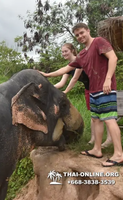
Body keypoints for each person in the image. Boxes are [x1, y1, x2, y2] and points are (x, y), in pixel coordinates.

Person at [40, 22, 123, 167]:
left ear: (88, 31)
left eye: (82, 33)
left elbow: (113, 58)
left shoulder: (99, 42)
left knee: (109, 119)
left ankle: (119, 154)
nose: (80, 36)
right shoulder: (83, 54)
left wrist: (108, 79)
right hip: (93, 90)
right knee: (96, 119)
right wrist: (46, 74)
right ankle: (97, 149)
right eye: (77, 35)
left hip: (105, 88)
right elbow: (65, 69)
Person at [55, 43, 112, 148]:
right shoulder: (69, 67)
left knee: (107, 113)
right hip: (89, 89)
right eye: (62, 52)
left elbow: (75, 78)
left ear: (72, 50)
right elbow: (61, 83)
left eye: (66, 51)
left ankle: (109, 139)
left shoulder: (79, 60)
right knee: (93, 115)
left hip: (100, 86)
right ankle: (93, 138)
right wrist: (49, 87)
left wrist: (66, 91)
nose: (64, 53)